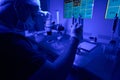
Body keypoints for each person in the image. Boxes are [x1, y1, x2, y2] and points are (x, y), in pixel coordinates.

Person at [0, 0, 82, 80]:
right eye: (33, 15)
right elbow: (55, 75)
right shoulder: (11, 41)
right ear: (19, 7)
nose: (33, 21)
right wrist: (75, 37)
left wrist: (37, 58)